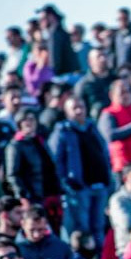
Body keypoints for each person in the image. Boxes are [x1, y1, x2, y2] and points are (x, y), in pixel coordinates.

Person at [49, 96, 111, 249]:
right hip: (78, 189)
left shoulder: (92, 127)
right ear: (67, 112)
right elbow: (55, 161)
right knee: (82, 229)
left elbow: (104, 153)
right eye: (74, 108)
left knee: (98, 226)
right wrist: (68, 183)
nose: (78, 111)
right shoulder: (63, 132)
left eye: (81, 107)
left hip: (100, 185)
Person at [5, 109, 63, 232]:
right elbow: (13, 174)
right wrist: (23, 195)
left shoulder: (40, 141)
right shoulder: (16, 146)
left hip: (51, 192)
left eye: (32, 119)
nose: (29, 123)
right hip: (35, 195)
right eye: (25, 120)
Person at [16, 204, 87, 259]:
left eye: (40, 229)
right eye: (32, 230)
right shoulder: (15, 250)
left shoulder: (60, 246)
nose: (36, 235)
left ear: (46, 224)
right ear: (23, 224)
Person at [36, 4, 79, 75]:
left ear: (51, 17)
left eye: (43, 19)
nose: (40, 22)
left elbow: (54, 60)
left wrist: (53, 75)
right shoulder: (61, 32)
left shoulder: (54, 34)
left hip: (63, 77)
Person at [74, 48, 116, 122]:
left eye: (104, 55)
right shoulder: (83, 85)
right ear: (90, 62)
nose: (103, 59)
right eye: (99, 56)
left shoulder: (116, 80)